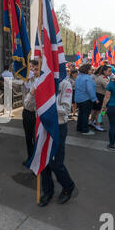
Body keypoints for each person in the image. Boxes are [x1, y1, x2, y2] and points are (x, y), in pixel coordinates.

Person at [38, 77, 76, 207]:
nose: (36, 71)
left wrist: (48, 101)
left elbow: (65, 110)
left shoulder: (65, 84)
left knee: (56, 163)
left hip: (58, 126)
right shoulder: (41, 81)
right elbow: (29, 105)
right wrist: (33, 94)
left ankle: (68, 186)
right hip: (43, 126)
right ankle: (48, 191)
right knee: (44, 162)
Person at [21, 60, 39, 165]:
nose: (32, 70)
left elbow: (29, 102)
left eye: (35, 68)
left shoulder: (39, 81)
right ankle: (30, 158)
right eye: (31, 67)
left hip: (36, 113)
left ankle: (36, 162)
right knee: (28, 138)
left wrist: (32, 93)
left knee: (36, 138)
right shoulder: (30, 80)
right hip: (27, 112)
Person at [75, 64, 98, 135]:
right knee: (85, 115)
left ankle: (79, 128)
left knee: (81, 114)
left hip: (79, 99)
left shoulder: (79, 77)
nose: (92, 71)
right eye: (91, 69)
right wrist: (95, 99)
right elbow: (90, 90)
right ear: (87, 70)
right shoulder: (88, 78)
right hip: (86, 99)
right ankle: (85, 130)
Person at [90, 66, 112, 132]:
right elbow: (109, 88)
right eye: (109, 71)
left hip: (98, 95)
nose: (111, 72)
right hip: (101, 96)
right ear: (104, 71)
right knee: (100, 112)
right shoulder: (103, 78)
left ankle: (92, 122)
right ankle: (98, 125)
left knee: (95, 110)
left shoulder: (102, 77)